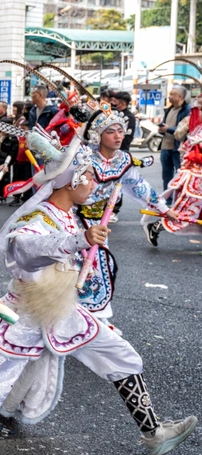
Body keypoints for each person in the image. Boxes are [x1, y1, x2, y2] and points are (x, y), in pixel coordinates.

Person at [0, 136, 197, 455]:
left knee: (120, 354)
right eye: (89, 176)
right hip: (27, 314)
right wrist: (78, 240)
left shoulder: (68, 214)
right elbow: (26, 251)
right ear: (71, 181)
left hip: (62, 311)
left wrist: (82, 254)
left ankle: (153, 433)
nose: (94, 183)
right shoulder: (37, 217)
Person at [81, 105, 176, 322]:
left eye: (120, 131)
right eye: (110, 132)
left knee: (101, 267)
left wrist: (164, 208)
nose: (117, 136)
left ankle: (94, 320)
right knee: (73, 268)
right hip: (73, 219)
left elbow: (140, 187)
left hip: (99, 223)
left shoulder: (123, 160)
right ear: (98, 135)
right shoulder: (83, 157)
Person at [145, 96, 202, 243]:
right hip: (194, 177)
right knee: (187, 209)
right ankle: (156, 226)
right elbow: (188, 148)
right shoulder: (196, 125)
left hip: (194, 174)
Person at [158, 85, 191, 205]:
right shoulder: (169, 109)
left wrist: (168, 129)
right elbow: (166, 125)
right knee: (166, 176)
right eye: (170, 94)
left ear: (180, 96)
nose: (170, 96)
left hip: (177, 148)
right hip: (165, 147)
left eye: (173, 94)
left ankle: (180, 201)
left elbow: (185, 128)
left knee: (180, 176)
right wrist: (162, 129)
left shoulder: (187, 110)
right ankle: (167, 201)